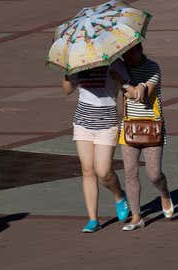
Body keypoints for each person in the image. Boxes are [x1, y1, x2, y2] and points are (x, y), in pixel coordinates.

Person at [62, 60, 130, 233]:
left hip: (107, 122)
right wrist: (69, 74)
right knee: (87, 169)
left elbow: (127, 89)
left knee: (103, 171)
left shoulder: (115, 63)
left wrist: (121, 80)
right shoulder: (80, 61)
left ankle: (119, 195)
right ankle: (93, 219)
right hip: (83, 121)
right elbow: (67, 90)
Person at [119, 43, 174, 231]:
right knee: (130, 172)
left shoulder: (152, 67)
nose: (126, 57)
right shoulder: (120, 67)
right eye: (123, 54)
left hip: (152, 127)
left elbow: (144, 95)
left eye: (130, 53)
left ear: (139, 50)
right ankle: (136, 217)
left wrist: (134, 85)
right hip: (128, 127)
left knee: (154, 174)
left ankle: (164, 193)